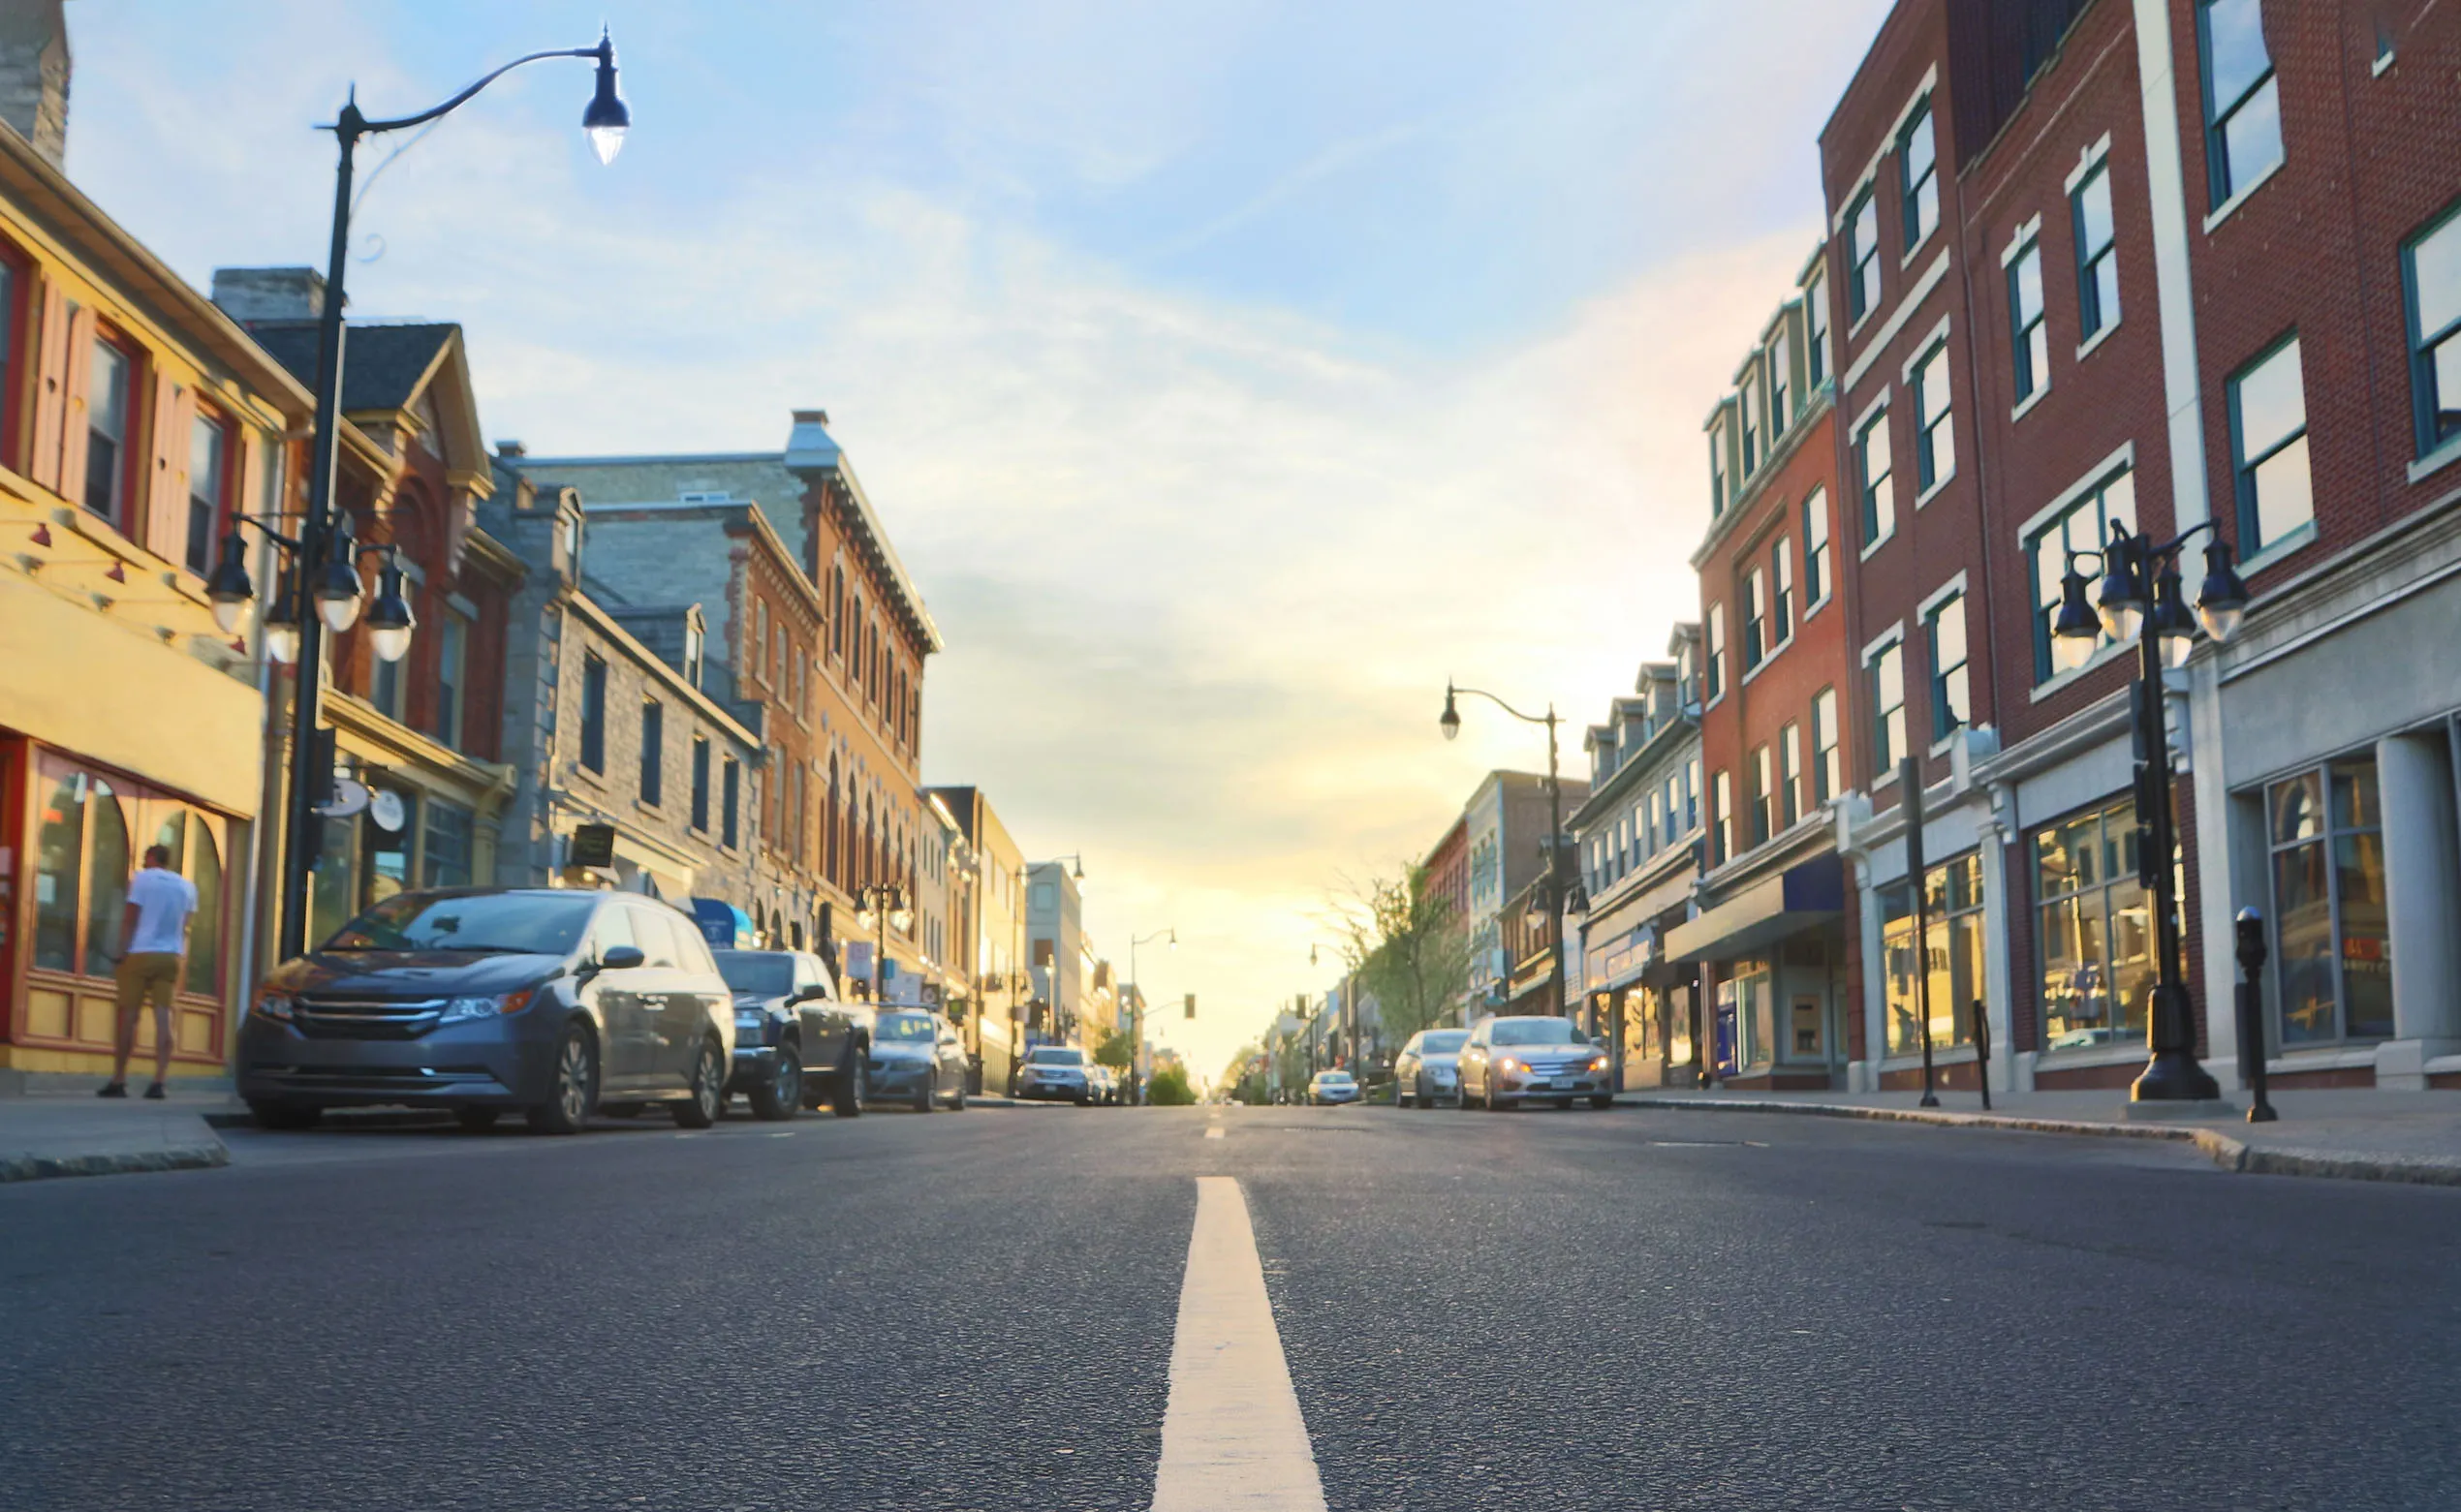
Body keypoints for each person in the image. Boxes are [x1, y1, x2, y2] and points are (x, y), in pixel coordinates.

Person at [98, 845, 197, 1101]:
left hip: (140, 952)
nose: (143, 862)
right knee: (164, 1018)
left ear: (152, 858)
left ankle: (119, 1079)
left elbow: (130, 919)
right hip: (171, 956)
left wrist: (120, 952)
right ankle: (159, 1081)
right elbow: (185, 927)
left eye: (145, 858)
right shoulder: (187, 887)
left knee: (129, 1017)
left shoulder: (141, 880)